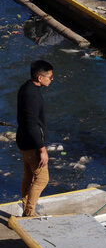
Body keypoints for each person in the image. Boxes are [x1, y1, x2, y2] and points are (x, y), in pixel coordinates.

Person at [16, 60, 54, 217]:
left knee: (29, 175)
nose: (52, 79)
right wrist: (42, 149)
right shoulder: (33, 96)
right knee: (42, 179)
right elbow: (32, 125)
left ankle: (26, 207)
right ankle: (29, 212)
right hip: (32, 144)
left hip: (23, 140)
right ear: (40, 77)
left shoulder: (25, 88)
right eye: (50, 77)